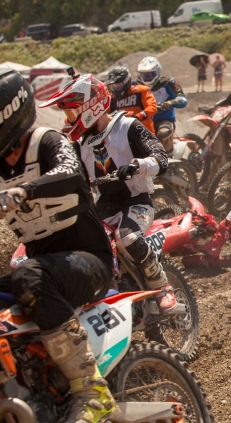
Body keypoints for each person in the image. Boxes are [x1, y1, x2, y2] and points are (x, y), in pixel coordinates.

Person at [0, 67, 119, 423]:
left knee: (28, 276)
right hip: (44, 270)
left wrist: (23, 190)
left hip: (90, 263)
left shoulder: (46, 141)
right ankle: (24, 384)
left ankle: (92, 389)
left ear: (7, 114)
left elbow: (71, 173)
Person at [42, 74, 178, 316]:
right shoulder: (78, 144)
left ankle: (161, 288)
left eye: (72, 113)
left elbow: (161, 157)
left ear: (90, 107)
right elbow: (74, 179)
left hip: (137, 201)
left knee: (128, 239)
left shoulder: (128, 126)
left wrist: (138, 165)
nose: (68, 120)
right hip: (103, 206)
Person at [137, 57, 188, 154]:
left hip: (163, 120)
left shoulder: (168, 83)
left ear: (158, 72)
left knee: (163, 133)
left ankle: (167, 155)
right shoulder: (135, 85)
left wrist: (170, 103)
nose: (148, 77)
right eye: (144, 74)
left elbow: (183, 99)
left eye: (151, 74)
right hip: (142, 120)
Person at [106, 65, 156, 134]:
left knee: (163, 133)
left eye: (118, 85)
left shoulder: (142, 90)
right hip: (122, 135)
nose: (115, 89)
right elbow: (105, 115)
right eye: (113, 86)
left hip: (145, 133)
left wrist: (138, 116)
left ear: (126, 82)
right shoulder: (111, 98)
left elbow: (152, 107)